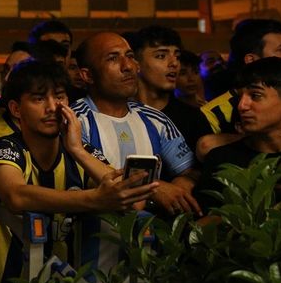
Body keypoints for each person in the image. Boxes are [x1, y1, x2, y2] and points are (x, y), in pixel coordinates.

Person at [0, 60, 155, 283]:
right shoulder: (5, 146)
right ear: (15, 109)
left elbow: (133, 201)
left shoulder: (79, 150)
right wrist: (94, 199)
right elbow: (16, 195)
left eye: (59, 97)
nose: (52, 108)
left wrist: (77, 150)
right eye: (38, 99)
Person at [71, 32, 199, 217]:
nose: (128, 66)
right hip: (94, 232)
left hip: (151, 234)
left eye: (130, 56)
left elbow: (190, 170)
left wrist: (182, 185)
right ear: (88, 75)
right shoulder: (74, 120)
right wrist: (155, 188)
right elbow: (93, 181)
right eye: (113, 58)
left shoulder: (155, 119)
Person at [195, 57, 281, 212]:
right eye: (240, 97)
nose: (242, 106)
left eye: (255, 95)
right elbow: (206, 221)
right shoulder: (221, 159)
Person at [129, 26, 211, 155]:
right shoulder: (118, 115)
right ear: (136, 63)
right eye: (161, 56)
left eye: (177, 56)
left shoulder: (193, 119)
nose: (174, 63)